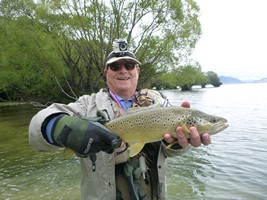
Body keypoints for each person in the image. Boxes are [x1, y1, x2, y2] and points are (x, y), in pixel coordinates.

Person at [29, 39, 211, 200]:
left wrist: (179, 145)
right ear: (106, 72)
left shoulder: (160, 104)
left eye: (129, 65)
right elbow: (37, 129)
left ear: (137, 71)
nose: (123, 70)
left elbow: (169, 151)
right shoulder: (87, 105)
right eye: (116, 66)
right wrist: (60, 127)